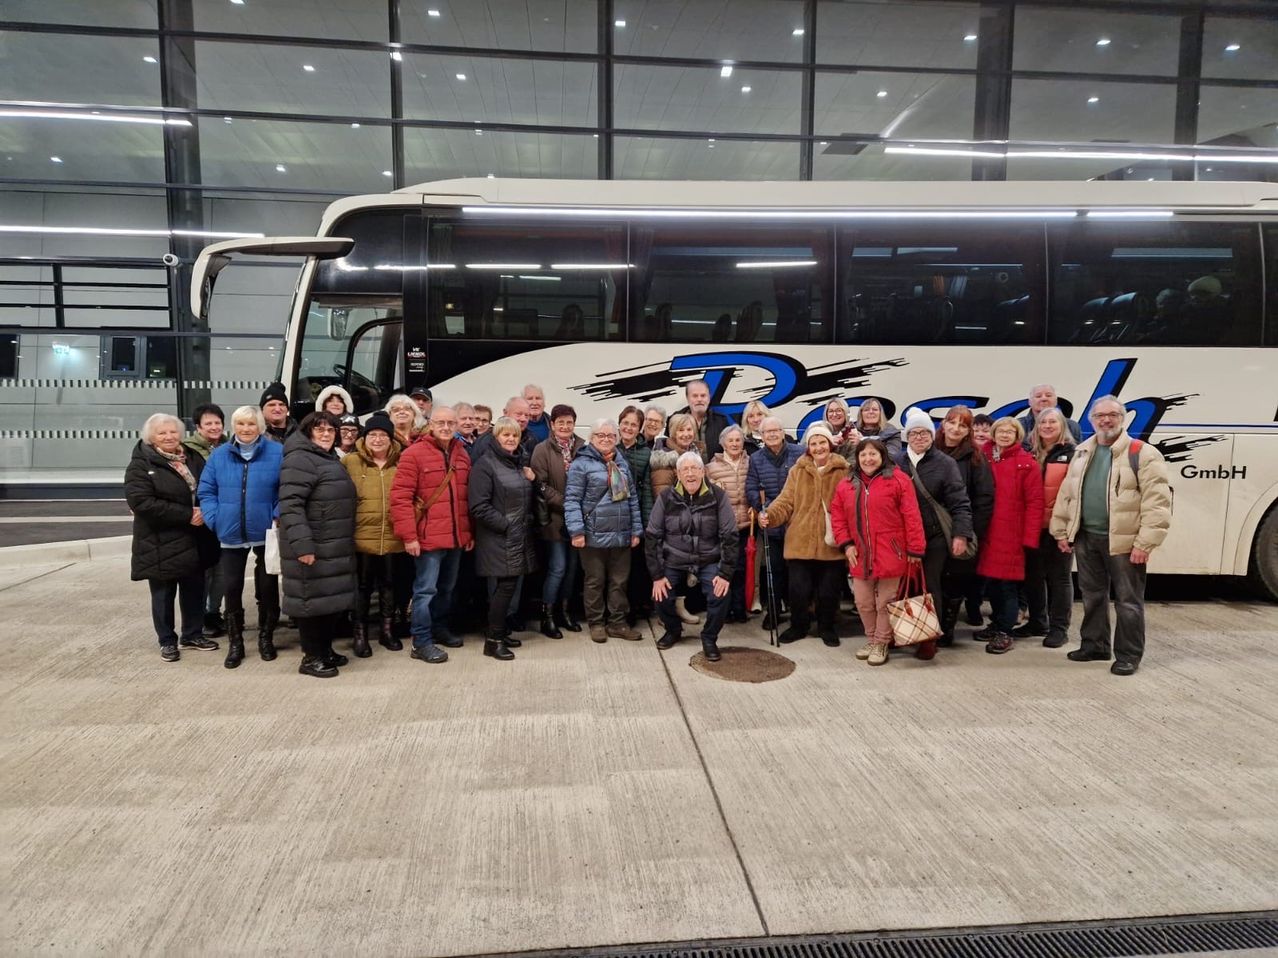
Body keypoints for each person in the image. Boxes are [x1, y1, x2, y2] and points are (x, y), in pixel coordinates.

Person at [1050, 395, 1172, 675]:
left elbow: (1157, 503)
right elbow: (1067, 495)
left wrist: (1145, 543)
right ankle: (1095, 645)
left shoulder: (1143, 453)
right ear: (1091, 420)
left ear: (1123, 418)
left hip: (1124, 542)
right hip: (1087, 536)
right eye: (1100, 416)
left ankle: (1128, 655)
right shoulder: (1082, 451)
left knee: (1128, 601)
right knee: (1092, 595)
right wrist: (1061, 531)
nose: (1106, 420)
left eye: (1112, 415)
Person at [126, 413, 220, 661]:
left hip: (196, 537)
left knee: (194, 589)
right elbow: (141, 502)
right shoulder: (141, 465)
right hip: (160, 540)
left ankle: (192, 634)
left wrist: (205, 511)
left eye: (173, 431)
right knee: (163, 594)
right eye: (162, 433)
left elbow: (211, 486)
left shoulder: (192, 457)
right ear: (151, 437)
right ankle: (167, 640)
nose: (169, 436)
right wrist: (187, 515)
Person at [197, 405, 283, 669]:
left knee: (267, 588)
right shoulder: (219, 455)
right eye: (241, 424)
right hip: (230, 531)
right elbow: (206, 490)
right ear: (233, 426)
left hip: (265, 530)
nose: (246, 429)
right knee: (232, 587)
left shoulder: (277, 452)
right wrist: (215, 518)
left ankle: (266, 637)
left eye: (251, 424)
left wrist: (276, 514)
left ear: (260, 427)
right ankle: (236, 643)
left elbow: (286, 488)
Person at [389, 405, 474, 664]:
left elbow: (465, 497)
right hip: (427, 538)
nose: (446, 427)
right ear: (431, 424)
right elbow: (400, 498)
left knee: (447, 588)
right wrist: (409, 536)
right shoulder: (413, 454)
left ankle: (439, 628)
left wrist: (468, 533)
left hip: (455, 538)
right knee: (425, 591)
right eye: (440, 423)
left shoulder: (462, 454)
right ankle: (421, 641)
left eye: (450, 423)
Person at [830, 437, 926, 666]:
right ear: (857, 458)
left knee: (886, 601)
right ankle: (872, 638)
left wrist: (915, 548)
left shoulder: (899, 480)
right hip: (859, 553)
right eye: (863, 454)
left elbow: (912, 515)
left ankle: (882, 642)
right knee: (863, 601)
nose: (868, 459)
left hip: (892, 551)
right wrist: (846, 544)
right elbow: (838, 516)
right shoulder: (846, 484)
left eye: (873, 454)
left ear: (882, 456)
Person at [279, 411, 357, 678]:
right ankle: (311, 658)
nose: (326, 434)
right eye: (319, 429)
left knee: (327, 602)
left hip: (331, 543)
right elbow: (291, 505)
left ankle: (324, 650)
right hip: (312, 544)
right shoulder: (300, 459)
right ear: (307, 432)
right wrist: (303, 546)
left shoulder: (326, 457)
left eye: (331, 430)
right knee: (310, 603)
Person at [758, 424, 848, 647]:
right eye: (813, 443)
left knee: (829, 591)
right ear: (808, 447)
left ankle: (827, 627)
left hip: (831, 543)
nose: (818, 447)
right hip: (800, 540)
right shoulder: (797, 471)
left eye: (822, 442)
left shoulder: (844, 471)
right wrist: (769, 515)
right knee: (798, 589)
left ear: (830, 444)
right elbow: (785, 501)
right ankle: (798, 626)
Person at [895, 408, 973, 661]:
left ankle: (929, 639)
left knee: (929, 585)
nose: (919, 437)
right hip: (901, 537)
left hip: (934, 536)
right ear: (907, 436)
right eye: (914, 433)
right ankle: (904, 631)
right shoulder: (895, 461)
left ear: (932, 435)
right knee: (902, 586)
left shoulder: (945, 464)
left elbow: (960, 502)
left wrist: (961, 534)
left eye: (924, 433)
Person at [647, 452, 738, 661]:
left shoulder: (718, 496)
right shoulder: (666, 497)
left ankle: (709, 637)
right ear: (678, 474)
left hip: (708, 559)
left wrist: (724, 574)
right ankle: (673, 630)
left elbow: (730, 536)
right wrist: (657, 576)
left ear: (703, 471)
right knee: (660, 594)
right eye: (684, 470)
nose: (690, 474)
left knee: (721, 594)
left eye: (694, 469)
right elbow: (652, 536)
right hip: (674, 558)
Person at [563, 419, 643, 643]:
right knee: (595, 581)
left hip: (621, 533)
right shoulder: (581, 464)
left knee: (619, 582)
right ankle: (596, 623)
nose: (606, 439)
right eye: (601, 435)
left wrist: (636, 530)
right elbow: (572, 500)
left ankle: (617, 623)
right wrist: (577, 531)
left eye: (610, 436)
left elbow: (632, 498)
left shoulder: (621, 462)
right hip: (593, 534)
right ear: (591, 438)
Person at [470, 416, 539, 661]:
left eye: (514, 435)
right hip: (499, 538)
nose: (511, 439)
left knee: (507, 588)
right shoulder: (485, 464)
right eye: (505, 434)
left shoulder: (517, 463)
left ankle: (499, 632)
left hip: (516, 537)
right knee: (504, 588)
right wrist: (507, 525)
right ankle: (493, 641)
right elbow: (479, 506)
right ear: (496, 437)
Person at [974, 417, 1044, 654]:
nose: (1004, 435)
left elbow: (1035, 503)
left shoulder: (1026, 464)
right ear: (993, 434)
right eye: (1000, 431)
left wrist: (1030, 538)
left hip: (1012, 534)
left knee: (1008, 586)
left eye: (1010, 432)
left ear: (1017, 436)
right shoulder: (984, 458)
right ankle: (996, 624)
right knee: (992, 584)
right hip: (988, 532)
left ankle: (1006, 631)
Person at [343, 411, 404, 656]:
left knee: (390, 584)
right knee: (363, 586)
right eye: (373, 435)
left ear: (391, 438)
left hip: (392, 536)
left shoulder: (402, 461)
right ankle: (360, 634)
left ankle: (387, 631)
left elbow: (415, 494)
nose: (378, 439)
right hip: (362, 537)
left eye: (383, 435)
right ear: (365, 437)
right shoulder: (350, 462)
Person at [933, 405, 994, 644]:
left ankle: (947, 630)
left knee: (955, 581)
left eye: (963, 425)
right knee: (933, 581)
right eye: (952, 422)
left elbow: (984, 499)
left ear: (969, 430)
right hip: (932, 530)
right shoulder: (930, 450)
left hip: (960, 529)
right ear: (943, 424)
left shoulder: (976, 457)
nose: (956, 428)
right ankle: (930, 629)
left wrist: (968, 533)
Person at [1021, 407, 1076, 648]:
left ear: (1062, 425)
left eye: (1052, 422)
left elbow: (1075, 495)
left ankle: (1059, 629)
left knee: (1059, 578)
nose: (1047, 426)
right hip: (1033, 526)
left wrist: (1069, 528)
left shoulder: (1073, 454)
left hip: (1059, 527)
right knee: (1033, 577)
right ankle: (1037, 622)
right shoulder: (1029, 452)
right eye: (1043, 422)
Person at [531, 403, 586, 639]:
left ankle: (565, 612)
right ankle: (548, 616)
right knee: (558, 567)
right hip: (554, 520)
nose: (565, 426)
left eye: (569, 422)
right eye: (560, 422)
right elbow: (540, 485)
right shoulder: (542, 449)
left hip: (578, 522)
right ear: (552, 425)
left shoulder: (583, 447)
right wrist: (568, 503)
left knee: (572, 569)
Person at [746, 416, 803, 631]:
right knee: (774, 570)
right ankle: (774, 611)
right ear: (761, 435)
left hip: (797, 523)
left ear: (782, 432)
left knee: (797, 572)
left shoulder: (799, 452)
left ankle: (799, 613)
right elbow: (751, 488)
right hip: (771, 522)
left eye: (776, 430)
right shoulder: (756, 459)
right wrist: (765, 509)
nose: (772, 434)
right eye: (767, 431)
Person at [183, 403, 227, 638]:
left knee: (221, 570)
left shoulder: (229, 446)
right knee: (204, 572)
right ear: (198, 427)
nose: (214, 427)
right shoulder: (188, 451)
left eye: (217, 422)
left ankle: (213, 613)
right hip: (201, 517)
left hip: (224, 516)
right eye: (208, 423)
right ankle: (197, 618)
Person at [705, 424, 752, 623]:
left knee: (741, 569)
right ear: (723, 443)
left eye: (738, 440)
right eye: (730, 440)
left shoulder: (751, 463)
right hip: (723, 527)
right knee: (724, 569)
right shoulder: (711, 468)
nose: (734, 443)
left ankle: (739, 610)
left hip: (745, 526)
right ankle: (725, 611)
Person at [617, 405, 655, 624]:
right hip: (614, 516)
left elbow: (648, 489)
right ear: (619, 423)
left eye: (634, 425)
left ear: (640, 428)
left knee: (636, 566)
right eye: (626, 423)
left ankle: (634, 609)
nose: (629, 428)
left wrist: (646, 521)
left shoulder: (646, 453)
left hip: (636, 514)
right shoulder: (610, 447)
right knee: (618, 568)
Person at [669, 379, 732, 459]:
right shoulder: (674, 420)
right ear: (687, 398)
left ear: (709, 398)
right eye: (695, 396)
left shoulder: (721, 421)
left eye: (703, 395)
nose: (699, 399)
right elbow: (667, 446)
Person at [471, 396, 535, 465]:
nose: (523, 419)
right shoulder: (486, 441)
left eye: (526, 416)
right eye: (518, 414)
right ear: (505, 412)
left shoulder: (531, 439)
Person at [649, 412, 698, 499]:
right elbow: (663, 496)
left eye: (689, 429)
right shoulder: (663, 459)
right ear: (674, 433)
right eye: (681, 430)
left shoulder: (696, 454)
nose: (686, 434)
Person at [1017, 384, 1082, 444]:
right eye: (1038, 396)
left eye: (1048, 395)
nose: (1044, 398)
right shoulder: (1018, 426)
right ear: (1029, 402)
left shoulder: (1072, 426)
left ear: (1056, 401)